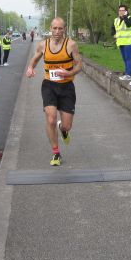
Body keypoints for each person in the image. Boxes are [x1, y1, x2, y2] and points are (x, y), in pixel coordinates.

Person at [26, 17, 82, 166]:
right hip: (49, 85)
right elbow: (35, 58)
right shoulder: (43, 45)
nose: (57, 31)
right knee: (50, 118)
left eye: (60, 28)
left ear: (64, 29)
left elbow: (79, 66)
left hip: (67, 87)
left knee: (67, 126)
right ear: (50, 28)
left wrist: (68, 73)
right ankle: (56, 153)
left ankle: (62, 130)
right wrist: (30, 68)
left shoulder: (71, 45)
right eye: (55, 28)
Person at [111, 4, 131, 85]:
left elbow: (128, 24)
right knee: (124, 58)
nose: (121, 12)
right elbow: (113, 28)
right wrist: (113, 34)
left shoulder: (129, 18)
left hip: (128, 42)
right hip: (121, 42)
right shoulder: (116, 20)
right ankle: (126, 73)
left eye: (122, 10)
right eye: (120, 10)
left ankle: (128, 75)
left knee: (128, 58)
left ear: (126, 11)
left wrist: (125, 17)